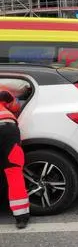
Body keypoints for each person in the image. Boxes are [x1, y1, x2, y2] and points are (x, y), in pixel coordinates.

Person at [0, 88, 30, 229]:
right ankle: (21, 217)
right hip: (8, 129)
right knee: (14, 172)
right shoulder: (2, 90)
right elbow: (16, 106)